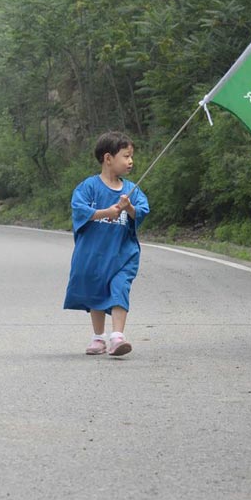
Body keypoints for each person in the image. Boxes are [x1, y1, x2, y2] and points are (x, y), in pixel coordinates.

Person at [63, 131, 150, 357]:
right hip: (95, 254)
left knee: (120, 287)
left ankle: (117, 336)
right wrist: (105, 213)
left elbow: (142, 210)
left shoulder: (132, 190)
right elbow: (79, 209)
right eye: (126, 156)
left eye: (131, 156)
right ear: (108, 158)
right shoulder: (88, 187)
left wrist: (128, 208)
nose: (131, 161)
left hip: (123, 254)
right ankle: (98, 337)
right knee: (97, 290)